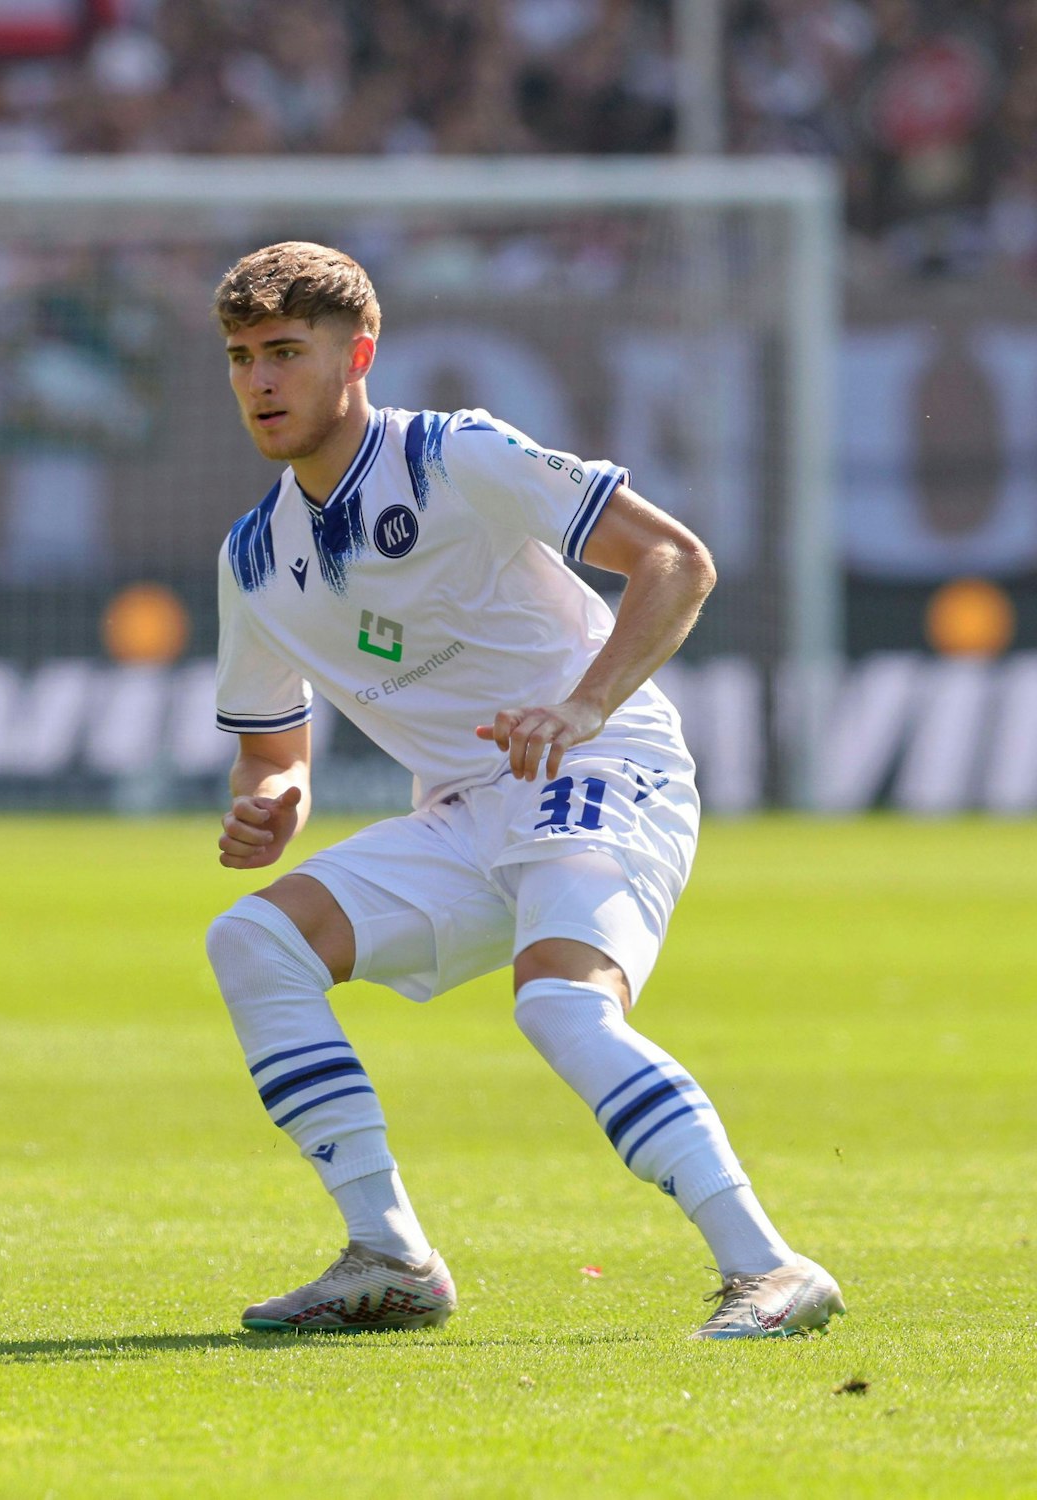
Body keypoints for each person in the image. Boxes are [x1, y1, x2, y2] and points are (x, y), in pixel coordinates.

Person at [204, 241, 842, 1340]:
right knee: (251, 941)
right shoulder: (254, 556)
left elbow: (675, 562)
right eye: (241, 357)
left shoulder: (457, 456)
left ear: (355, 354)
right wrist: (275, 797)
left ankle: (771, 1266)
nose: (260, 381)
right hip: (461, 810)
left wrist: (581, 706)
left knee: (557, 1003)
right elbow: (272, 747)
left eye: (285, 353)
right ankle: (390, 1258)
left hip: (599, 766)